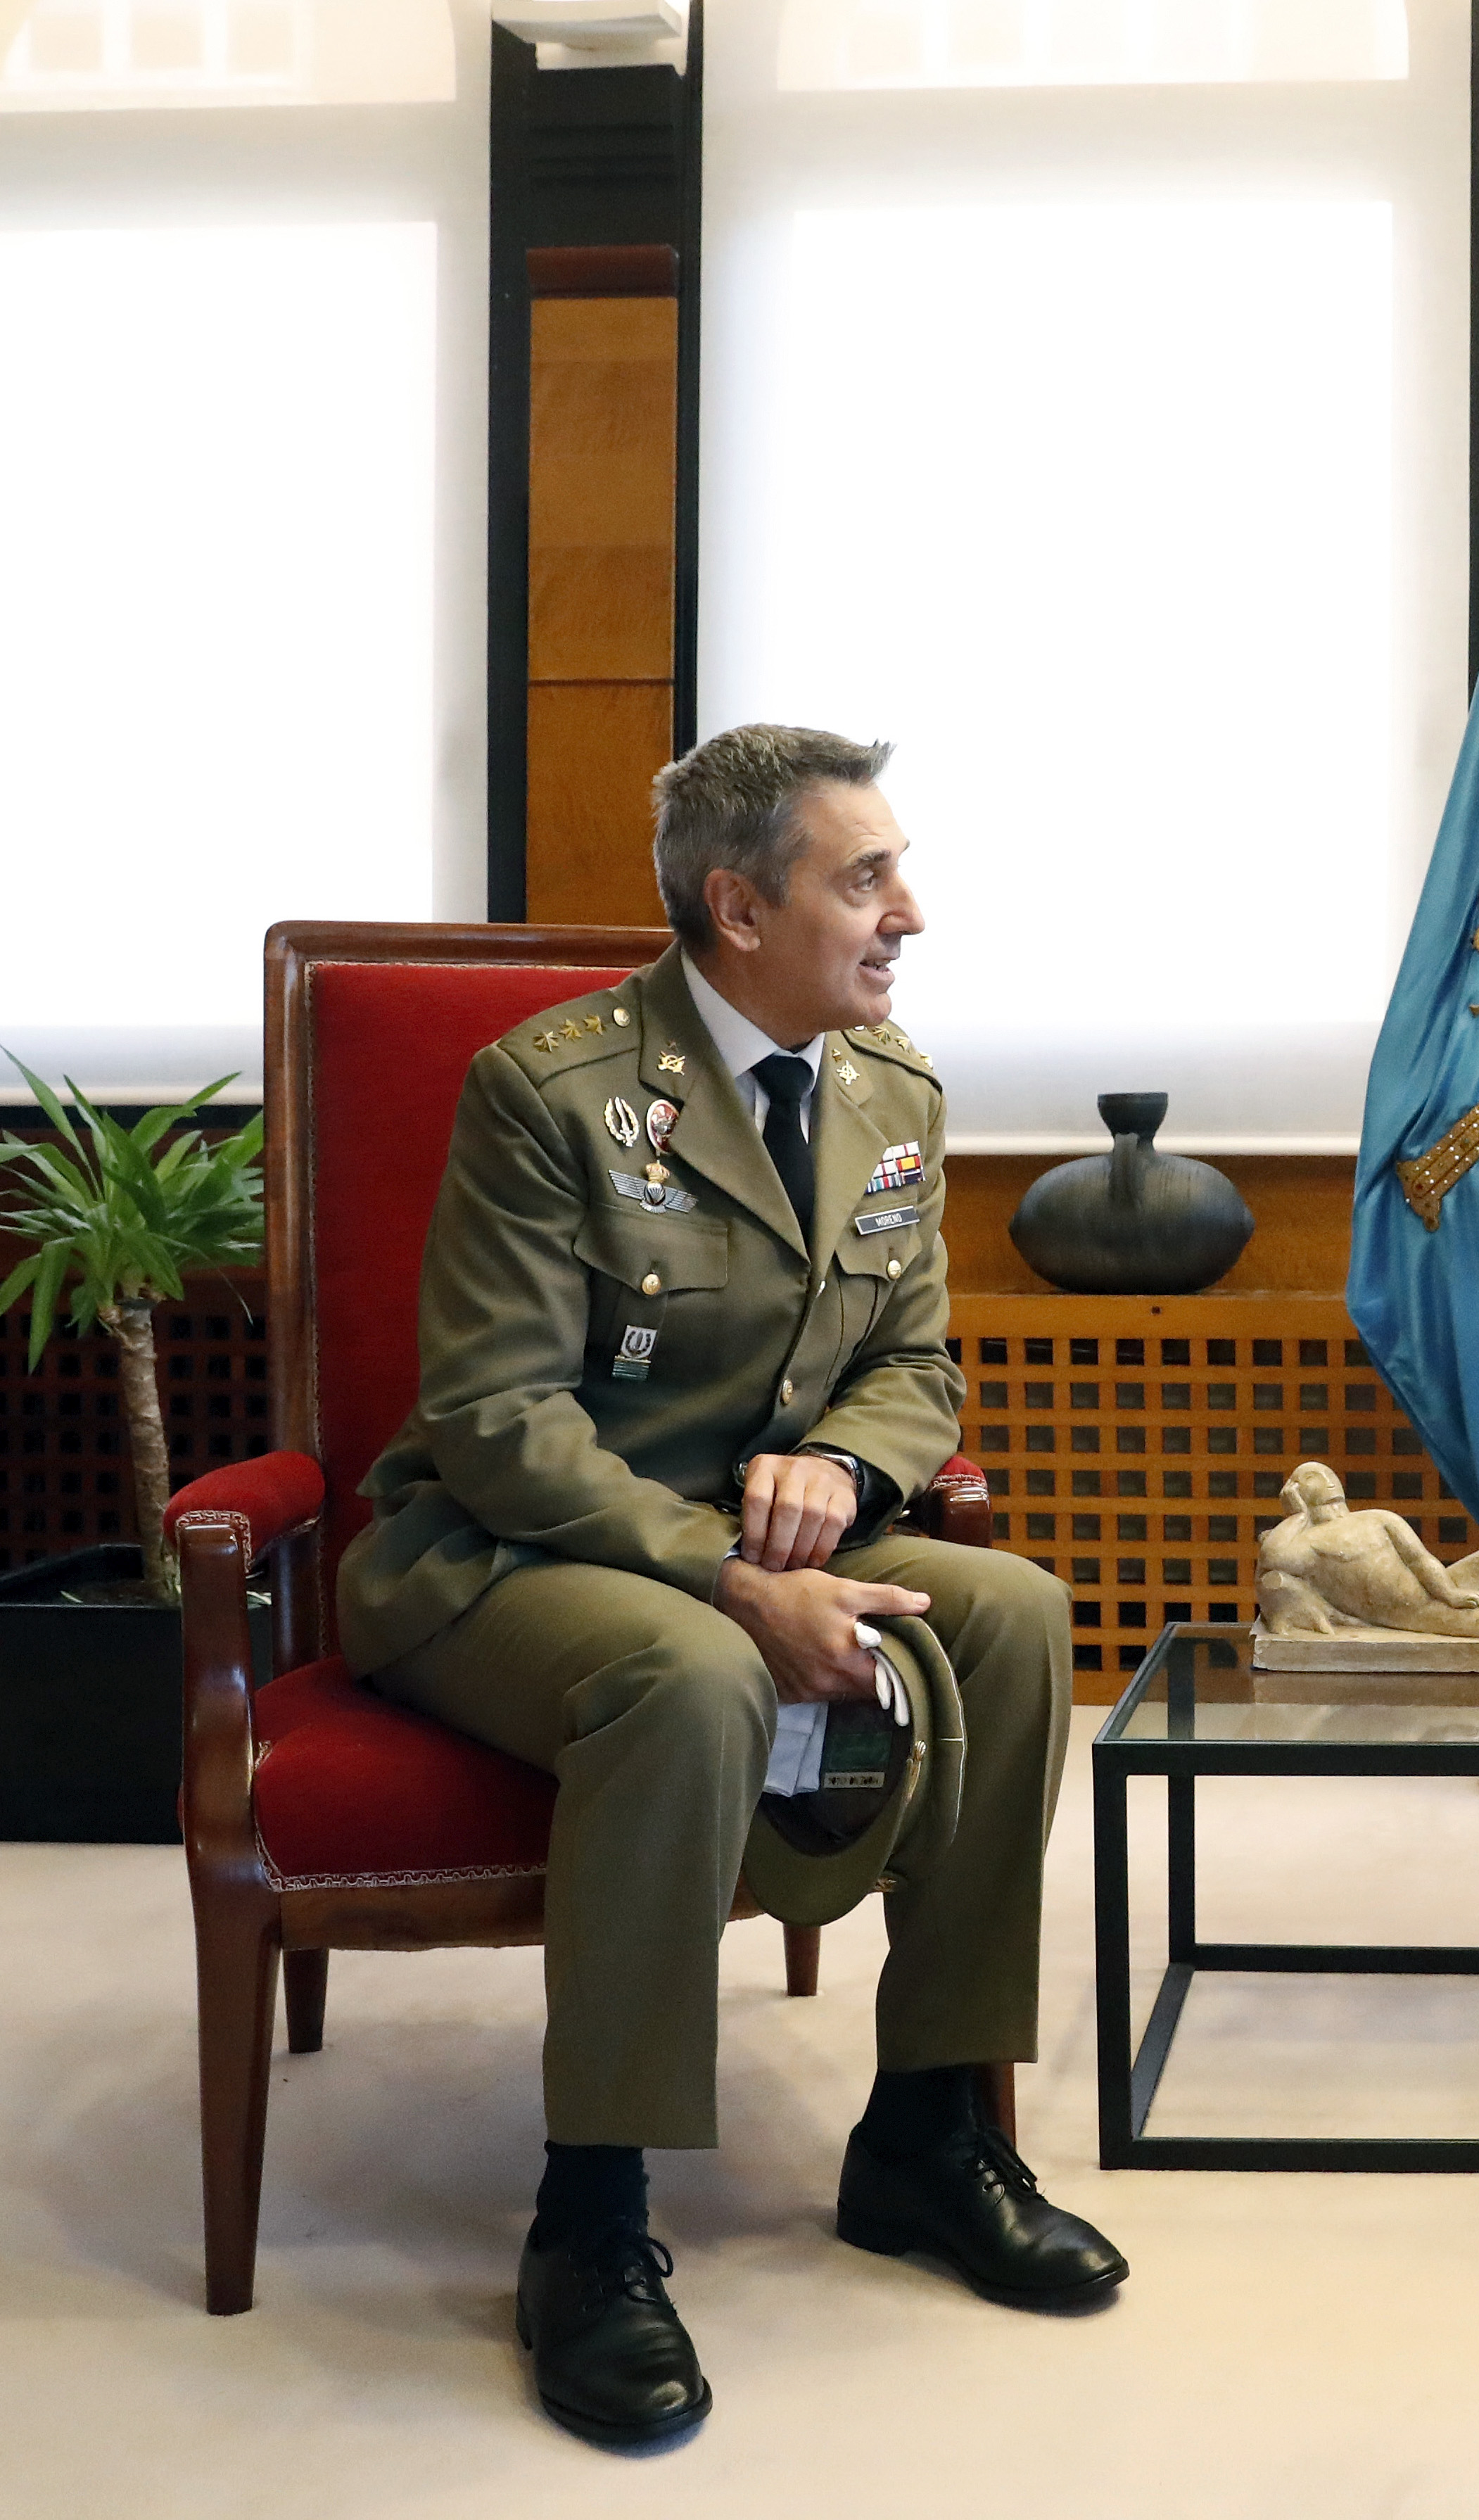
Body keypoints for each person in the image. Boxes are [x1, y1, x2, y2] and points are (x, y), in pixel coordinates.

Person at [338, 723, 1123, 2450]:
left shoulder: (889, 1090)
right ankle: (591, 2215)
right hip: (513, 1545)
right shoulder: (551, 1090)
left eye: (899, 870)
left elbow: (916, 1365)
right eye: (866, 876)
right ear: (739, 906)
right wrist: (722, 1573)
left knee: (1014, 1615)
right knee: (688, 1673)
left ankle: (929, 2130)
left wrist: (841, 1465)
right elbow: (494, 1418)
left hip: (771, 1528)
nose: (908, 910)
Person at [1255, 1460, 1479, 1638]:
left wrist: (1450, 1592)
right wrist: (1298, 1516)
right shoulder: (1308, 1542)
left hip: (1437, 1591)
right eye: (1311, 1477)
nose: (1327, 1480)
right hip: (1416, 1615)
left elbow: (1420, 1560)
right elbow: (1273, 1557)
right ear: (1295, 1492)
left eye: (1328, 1473)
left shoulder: (1378, 1517)